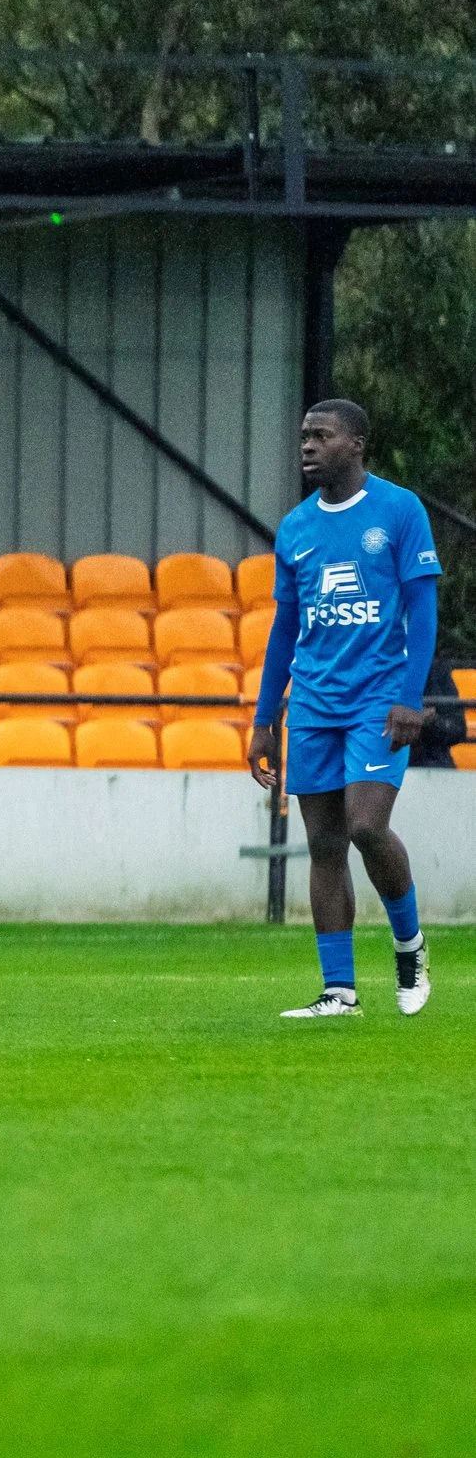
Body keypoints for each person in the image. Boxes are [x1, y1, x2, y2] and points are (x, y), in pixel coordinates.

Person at [249, 399, 443, 1020]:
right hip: (312, 702)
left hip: (377, 701)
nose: (307, 445)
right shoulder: (296, 529)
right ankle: (339, 992)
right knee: (326, 844)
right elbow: (285, 629)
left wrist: (412, 700)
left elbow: (423, 608)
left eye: (321, 435)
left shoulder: (399, 510)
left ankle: (409, 946)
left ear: (356, 444)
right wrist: (263, 719)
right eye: (304, 434)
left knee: (365, 827)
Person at [406, 662, 469, 770]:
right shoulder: (374, 668)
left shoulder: (436, 672)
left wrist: (433, 721)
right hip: (382, 762)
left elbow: (458, 730)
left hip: (431, 763)